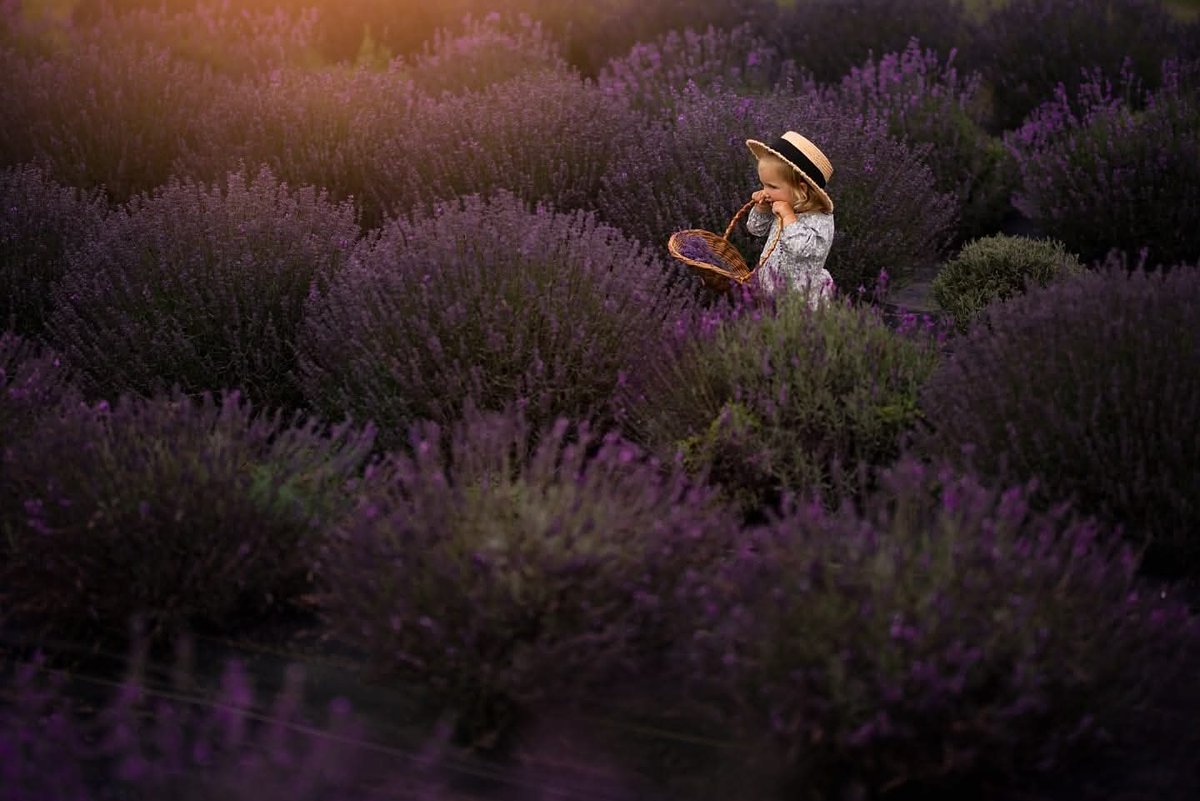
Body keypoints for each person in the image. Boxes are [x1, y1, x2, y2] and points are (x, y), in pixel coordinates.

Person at [745, 131, 836, 308]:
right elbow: (755, 230)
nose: (766, 191)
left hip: (798, 299)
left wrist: (788, 217)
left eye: (772, 186)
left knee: (790, 330)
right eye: (763, 184)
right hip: (768, 286)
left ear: (801, 190)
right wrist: (761, 209)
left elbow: (801, 250)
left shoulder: (820, 220)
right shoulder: (786, 203)